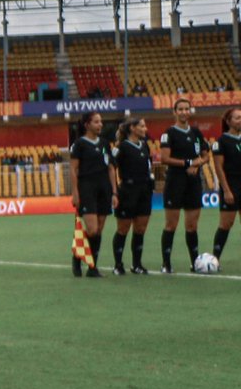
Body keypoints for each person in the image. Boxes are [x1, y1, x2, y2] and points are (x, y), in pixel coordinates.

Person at [158, 98, 211, 273]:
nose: (183, 112)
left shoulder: (196, 132)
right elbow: (164, 158)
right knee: (171, 225)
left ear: (190, 111)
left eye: (186, 109)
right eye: (180, 109)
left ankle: (195, 263)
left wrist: (197, 164)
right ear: (175, 112)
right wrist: (188, 163)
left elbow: (206, 155)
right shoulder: (169, 133)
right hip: (175, 182)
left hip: (193, 182)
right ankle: (166, 263)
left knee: (192, 226)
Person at [69, 111, 114, 277]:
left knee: (100, 229)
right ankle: (77, 255)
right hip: (87, 188)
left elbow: (110, 168)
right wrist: (75, 193)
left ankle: (92, 267)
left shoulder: (104, 143)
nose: (100, 124)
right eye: (96, 122)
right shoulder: (79, 144)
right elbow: (73, 169)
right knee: (93, 229)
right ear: (87, 124)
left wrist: (114, 192)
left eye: (101, 121)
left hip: (104, 189)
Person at [109, 115, 155, 274]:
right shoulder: (121, 147)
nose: (145, 129)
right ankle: (118, 265)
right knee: (123, 229)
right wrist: (114, 190)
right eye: (142, 126)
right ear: (132, 128)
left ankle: (137, 264)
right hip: (128, 191)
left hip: (144, 190)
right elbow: (110, 166)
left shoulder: (144, 145)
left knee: (140, 229)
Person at [210, 106, 241, 263]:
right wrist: (227, 190)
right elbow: (219, 168)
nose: (240, 120)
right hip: (231, 185)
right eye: (237, 118)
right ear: (228, 122)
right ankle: (215, 258)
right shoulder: (221, 141)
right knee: (226, 223)